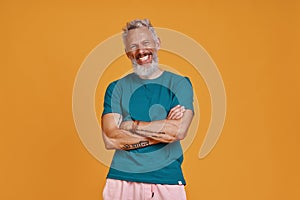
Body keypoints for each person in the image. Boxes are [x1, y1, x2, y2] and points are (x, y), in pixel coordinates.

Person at [101, 19, 194, 200]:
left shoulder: (180, 84)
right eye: (133, 46)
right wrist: (163, 130)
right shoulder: (116, 88)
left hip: (167, 181)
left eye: (145, 43)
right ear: (127, 53)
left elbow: (178, 131)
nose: (140, 51)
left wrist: (131, 126)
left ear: (157, 43)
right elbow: (111, 138)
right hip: (122, 180)